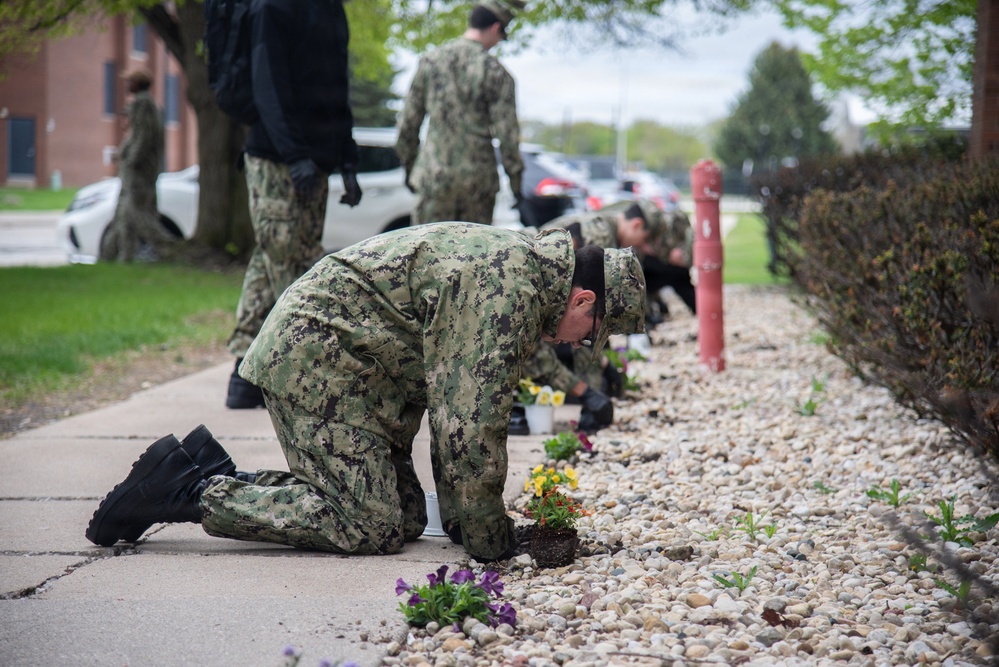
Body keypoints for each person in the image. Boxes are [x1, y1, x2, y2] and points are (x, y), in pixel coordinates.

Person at [85, 223, 647, 562]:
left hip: (351, 373)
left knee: (401, 518)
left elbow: (461, 415)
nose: (579, 346)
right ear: (583, 302)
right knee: (367, 524)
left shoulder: (520, 273)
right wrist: (490, 538)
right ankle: (191, 491)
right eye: (590, 337)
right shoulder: (504, 289)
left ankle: (202, 471)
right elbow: (467, 427)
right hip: (318, 363)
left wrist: (461, 525)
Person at [225, 0, 363, 410]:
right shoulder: (273, 8)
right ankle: (291, 378)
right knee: (290, 265)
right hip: (276, 157)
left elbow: (338, 88)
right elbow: (268, 86)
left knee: (276, 257)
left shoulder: (332, 11)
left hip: (314, 161)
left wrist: (347, 160)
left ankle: (244, 373)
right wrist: (295, 155)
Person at [519, 199, 668, 433]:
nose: (646, 247)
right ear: (637, 225)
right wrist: (587, 393)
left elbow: (587, 323)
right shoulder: (601, 242)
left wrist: (604, 363)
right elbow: (582, 323)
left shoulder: (605, 228)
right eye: (646, 239)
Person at [395, 1, 525, 226]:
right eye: (501, 36)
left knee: (427, 254)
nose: (497, 43)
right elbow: (508, 137)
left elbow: (408, 124)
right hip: (478, 184)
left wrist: (410, 168)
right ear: (495, 28)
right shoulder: (498, 74)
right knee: (473, 257)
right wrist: (516, 186)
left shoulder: (431, 62)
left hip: (434, 177)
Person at [99, 68, 169, 262]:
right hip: (137, 169)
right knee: (123, 214)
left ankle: (166, 249)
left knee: (137, 213)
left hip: (139, 171)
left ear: (137, 83)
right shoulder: (144, 104)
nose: (126, 85)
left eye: (129, 81)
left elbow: (143, 136)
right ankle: (116, 255)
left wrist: (131, 161)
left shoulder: (143, 103)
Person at [643, 208, 696, 324]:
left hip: (663, 263)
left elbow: (690, 235)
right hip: (644, 262)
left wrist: (682, 252)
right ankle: (648, 313)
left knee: (677, 275)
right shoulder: (647, 222)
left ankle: (700, 307)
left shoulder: (675, 220)